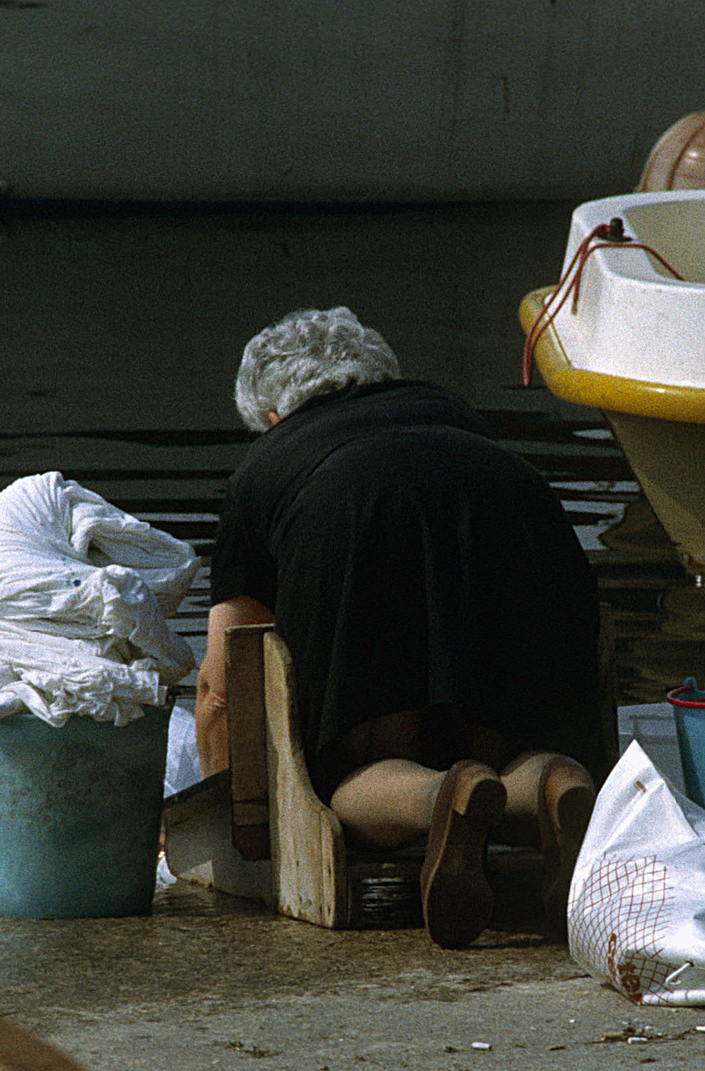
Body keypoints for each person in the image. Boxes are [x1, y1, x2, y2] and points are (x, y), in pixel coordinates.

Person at [196, 306, 603, 948]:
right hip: (518, 509)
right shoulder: (457, 415)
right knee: (499, 743)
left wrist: (234, 817)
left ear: (273, 417)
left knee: (359, 770)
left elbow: (225, 681)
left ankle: (444, 795)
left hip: (353, 513)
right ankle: (558, 785)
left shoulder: (269, 464)